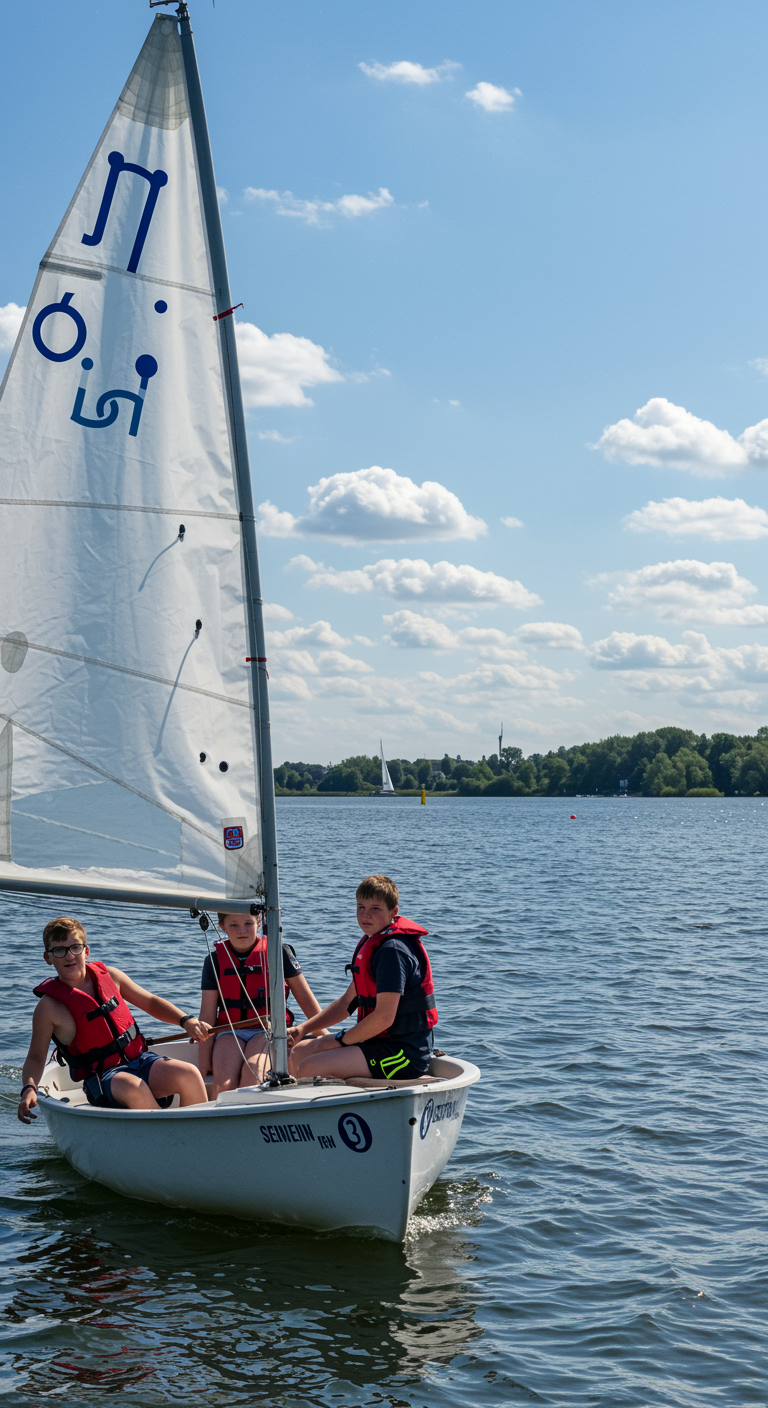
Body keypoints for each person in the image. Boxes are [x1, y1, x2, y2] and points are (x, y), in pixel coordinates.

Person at [18, 916, 209, 1122]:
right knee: (133, 1086)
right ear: (48, 957)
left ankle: (200, 1134)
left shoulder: (110, 975)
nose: (69, 956)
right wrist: (29, 1088)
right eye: (59, 950)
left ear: (86, 951)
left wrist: (185, 1020)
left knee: (188, 1073)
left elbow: (150, 1002)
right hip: (102, 1079)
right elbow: (36, 1057)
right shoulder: (48, 1008)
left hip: (140, 1060)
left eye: (75, 947)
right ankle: (168, 1137)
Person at [288, 874, 437, 1082]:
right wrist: (303, 1028)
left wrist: (339, 1040)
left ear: (393, 912)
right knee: (297, 1053)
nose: (366, 915)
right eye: (361, 907)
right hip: (376, 1043)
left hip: (404, 1054)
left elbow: (384, 1017)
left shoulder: (392, 952)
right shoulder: (374, 944)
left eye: (375, 909)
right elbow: (345, 1004)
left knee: (309, 1066)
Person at [198, 910, 325, 1096]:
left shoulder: (279, 953)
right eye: (234, 925)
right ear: (222, 927)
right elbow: (207, 1016)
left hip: (267, 1030)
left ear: (258, 922)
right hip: (230, 1031)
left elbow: (307, 1002)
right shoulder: (214, 961)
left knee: (253, 1072)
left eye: (248, 923)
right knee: (223, 1084)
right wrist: (203, 1066)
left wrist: (327, 1037)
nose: (242, 930)